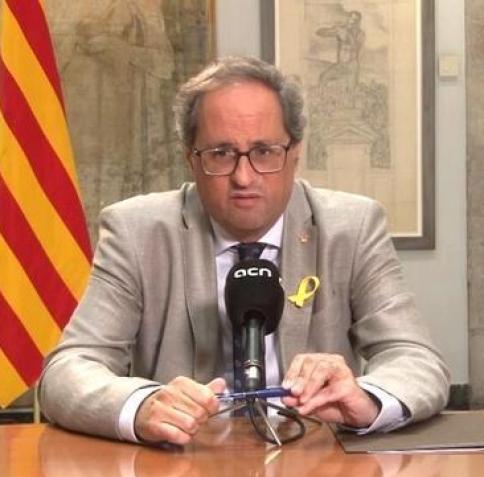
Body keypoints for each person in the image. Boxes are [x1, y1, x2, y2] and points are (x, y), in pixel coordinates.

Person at [39, 56, 449, 446]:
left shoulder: (352, 227)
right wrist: (140, 406)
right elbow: (66, 372)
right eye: (221, 153)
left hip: (315, 464)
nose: (244, 177)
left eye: (264, 152)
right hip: (182, 464)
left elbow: (415, 359)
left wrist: (367, 398)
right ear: (191, 160)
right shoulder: (137, 232)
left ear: (295, 153)